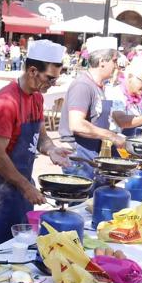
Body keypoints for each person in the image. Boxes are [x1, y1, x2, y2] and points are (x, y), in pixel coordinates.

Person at [0, 40, 70, 248]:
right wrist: (26, 186)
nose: (52, 84)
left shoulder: (37, 98)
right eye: (49, 78)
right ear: (32, 71)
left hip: (20, 184)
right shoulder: (5, 103)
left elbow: (41, 136)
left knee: (22, 246)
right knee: (4, 249)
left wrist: (51, 149)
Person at [59, 36, 125, 181]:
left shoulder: (99, 86)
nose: (116, 66)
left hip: (93, 152)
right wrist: (112, 136)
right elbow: (77, 124)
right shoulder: (83, 85)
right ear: (102, 61)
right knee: (82, 202)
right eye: (114, 61)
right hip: (80, 156)